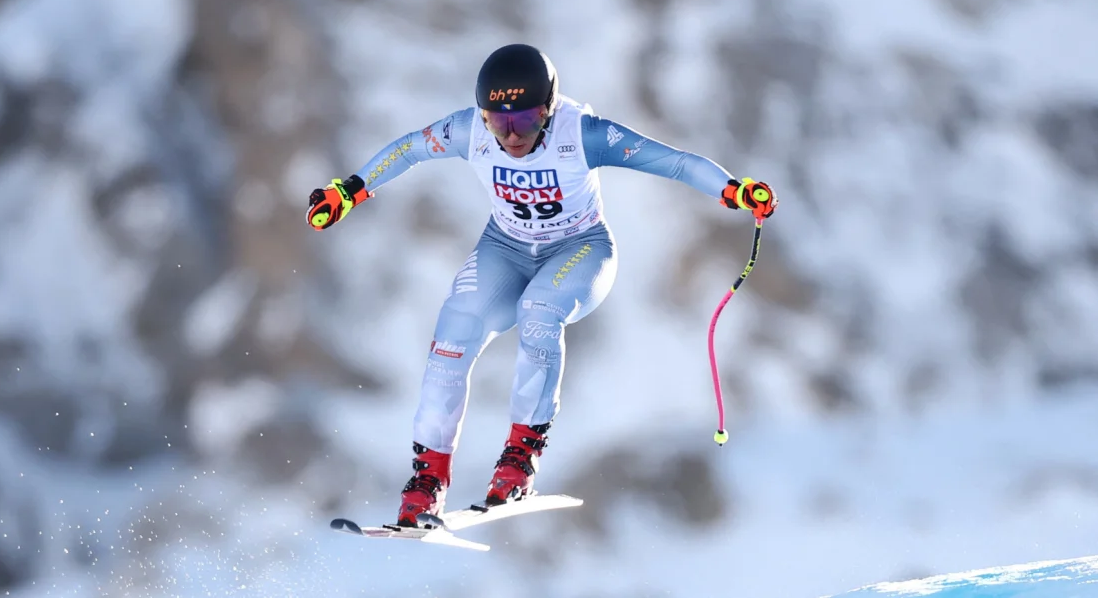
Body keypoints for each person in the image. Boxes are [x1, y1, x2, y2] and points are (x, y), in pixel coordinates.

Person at [305, 43, 777, 528]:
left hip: (579, 249)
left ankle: (519, 460)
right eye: (498, 122)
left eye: (527, 121)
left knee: (539, 312)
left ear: (549, 110)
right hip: (504, 247)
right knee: (452, 336)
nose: (511, 135)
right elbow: (409, 148)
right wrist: (350, 191)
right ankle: (428, 480)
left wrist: (734, 189)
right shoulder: (470, 131)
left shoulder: (584, 134)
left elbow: (673, 161)